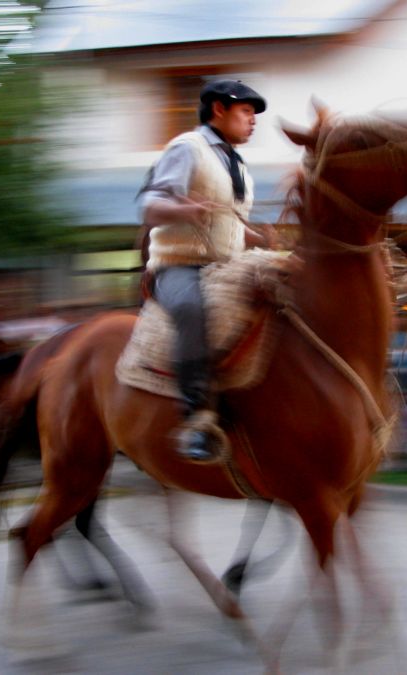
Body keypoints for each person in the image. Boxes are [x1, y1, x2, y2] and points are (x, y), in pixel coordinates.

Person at [137, 79, 271, 462]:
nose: (253, 121)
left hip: (227, 263)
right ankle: (196, 416)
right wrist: (183, 211)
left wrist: (259, 239)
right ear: (219, 109)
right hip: (178, 265)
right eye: (246, 111)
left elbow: (227, 222)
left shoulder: (237, 165)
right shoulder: (186, 148)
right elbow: (150, 206)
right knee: (193, 311)